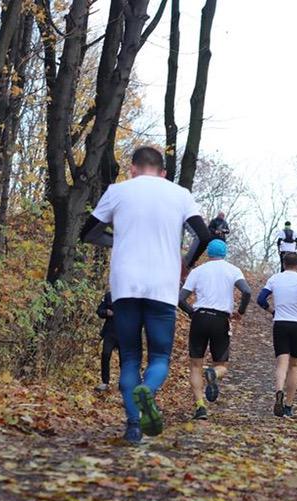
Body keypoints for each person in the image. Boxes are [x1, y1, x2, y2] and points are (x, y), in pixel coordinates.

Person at [86, 146, 209, 443]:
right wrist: (186, 262)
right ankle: (148, 391)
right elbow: (203, 235)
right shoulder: (180, 194)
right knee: (159, 357)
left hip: (125, 287)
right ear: (163, 173)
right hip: (162, 287)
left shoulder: (117, 191)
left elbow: (88, 233)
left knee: (129, 357)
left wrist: (118, 241)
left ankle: (133, 427)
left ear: (132, 169)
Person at [178, 239, 252, 420]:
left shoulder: (198, 271)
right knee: (222, 365)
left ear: (209, 253)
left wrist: (191, 313)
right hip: (220, 320)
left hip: (200, 318)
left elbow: (180, 298)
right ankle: (214, 373)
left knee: (195, 365)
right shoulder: (233, 270)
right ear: (224, 253)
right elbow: (247, 291)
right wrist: (241, 312)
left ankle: (200, 407)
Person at [256, 252, 297, 417]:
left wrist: (273, 311)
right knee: (294, 366)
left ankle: (279, 391)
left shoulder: (275, 279)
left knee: (281, 364)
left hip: (280, 324)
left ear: (284, 264)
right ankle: (289, 406)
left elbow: (261, 299)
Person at [95, 290, 118, 392]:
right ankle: (105, 382)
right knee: (105, 354)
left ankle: (125, 382)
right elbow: (99, 311)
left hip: (125, 333)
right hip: (110, 332)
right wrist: (106, 312)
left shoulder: (130, 296)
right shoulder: (109, 295)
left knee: (125, 359)